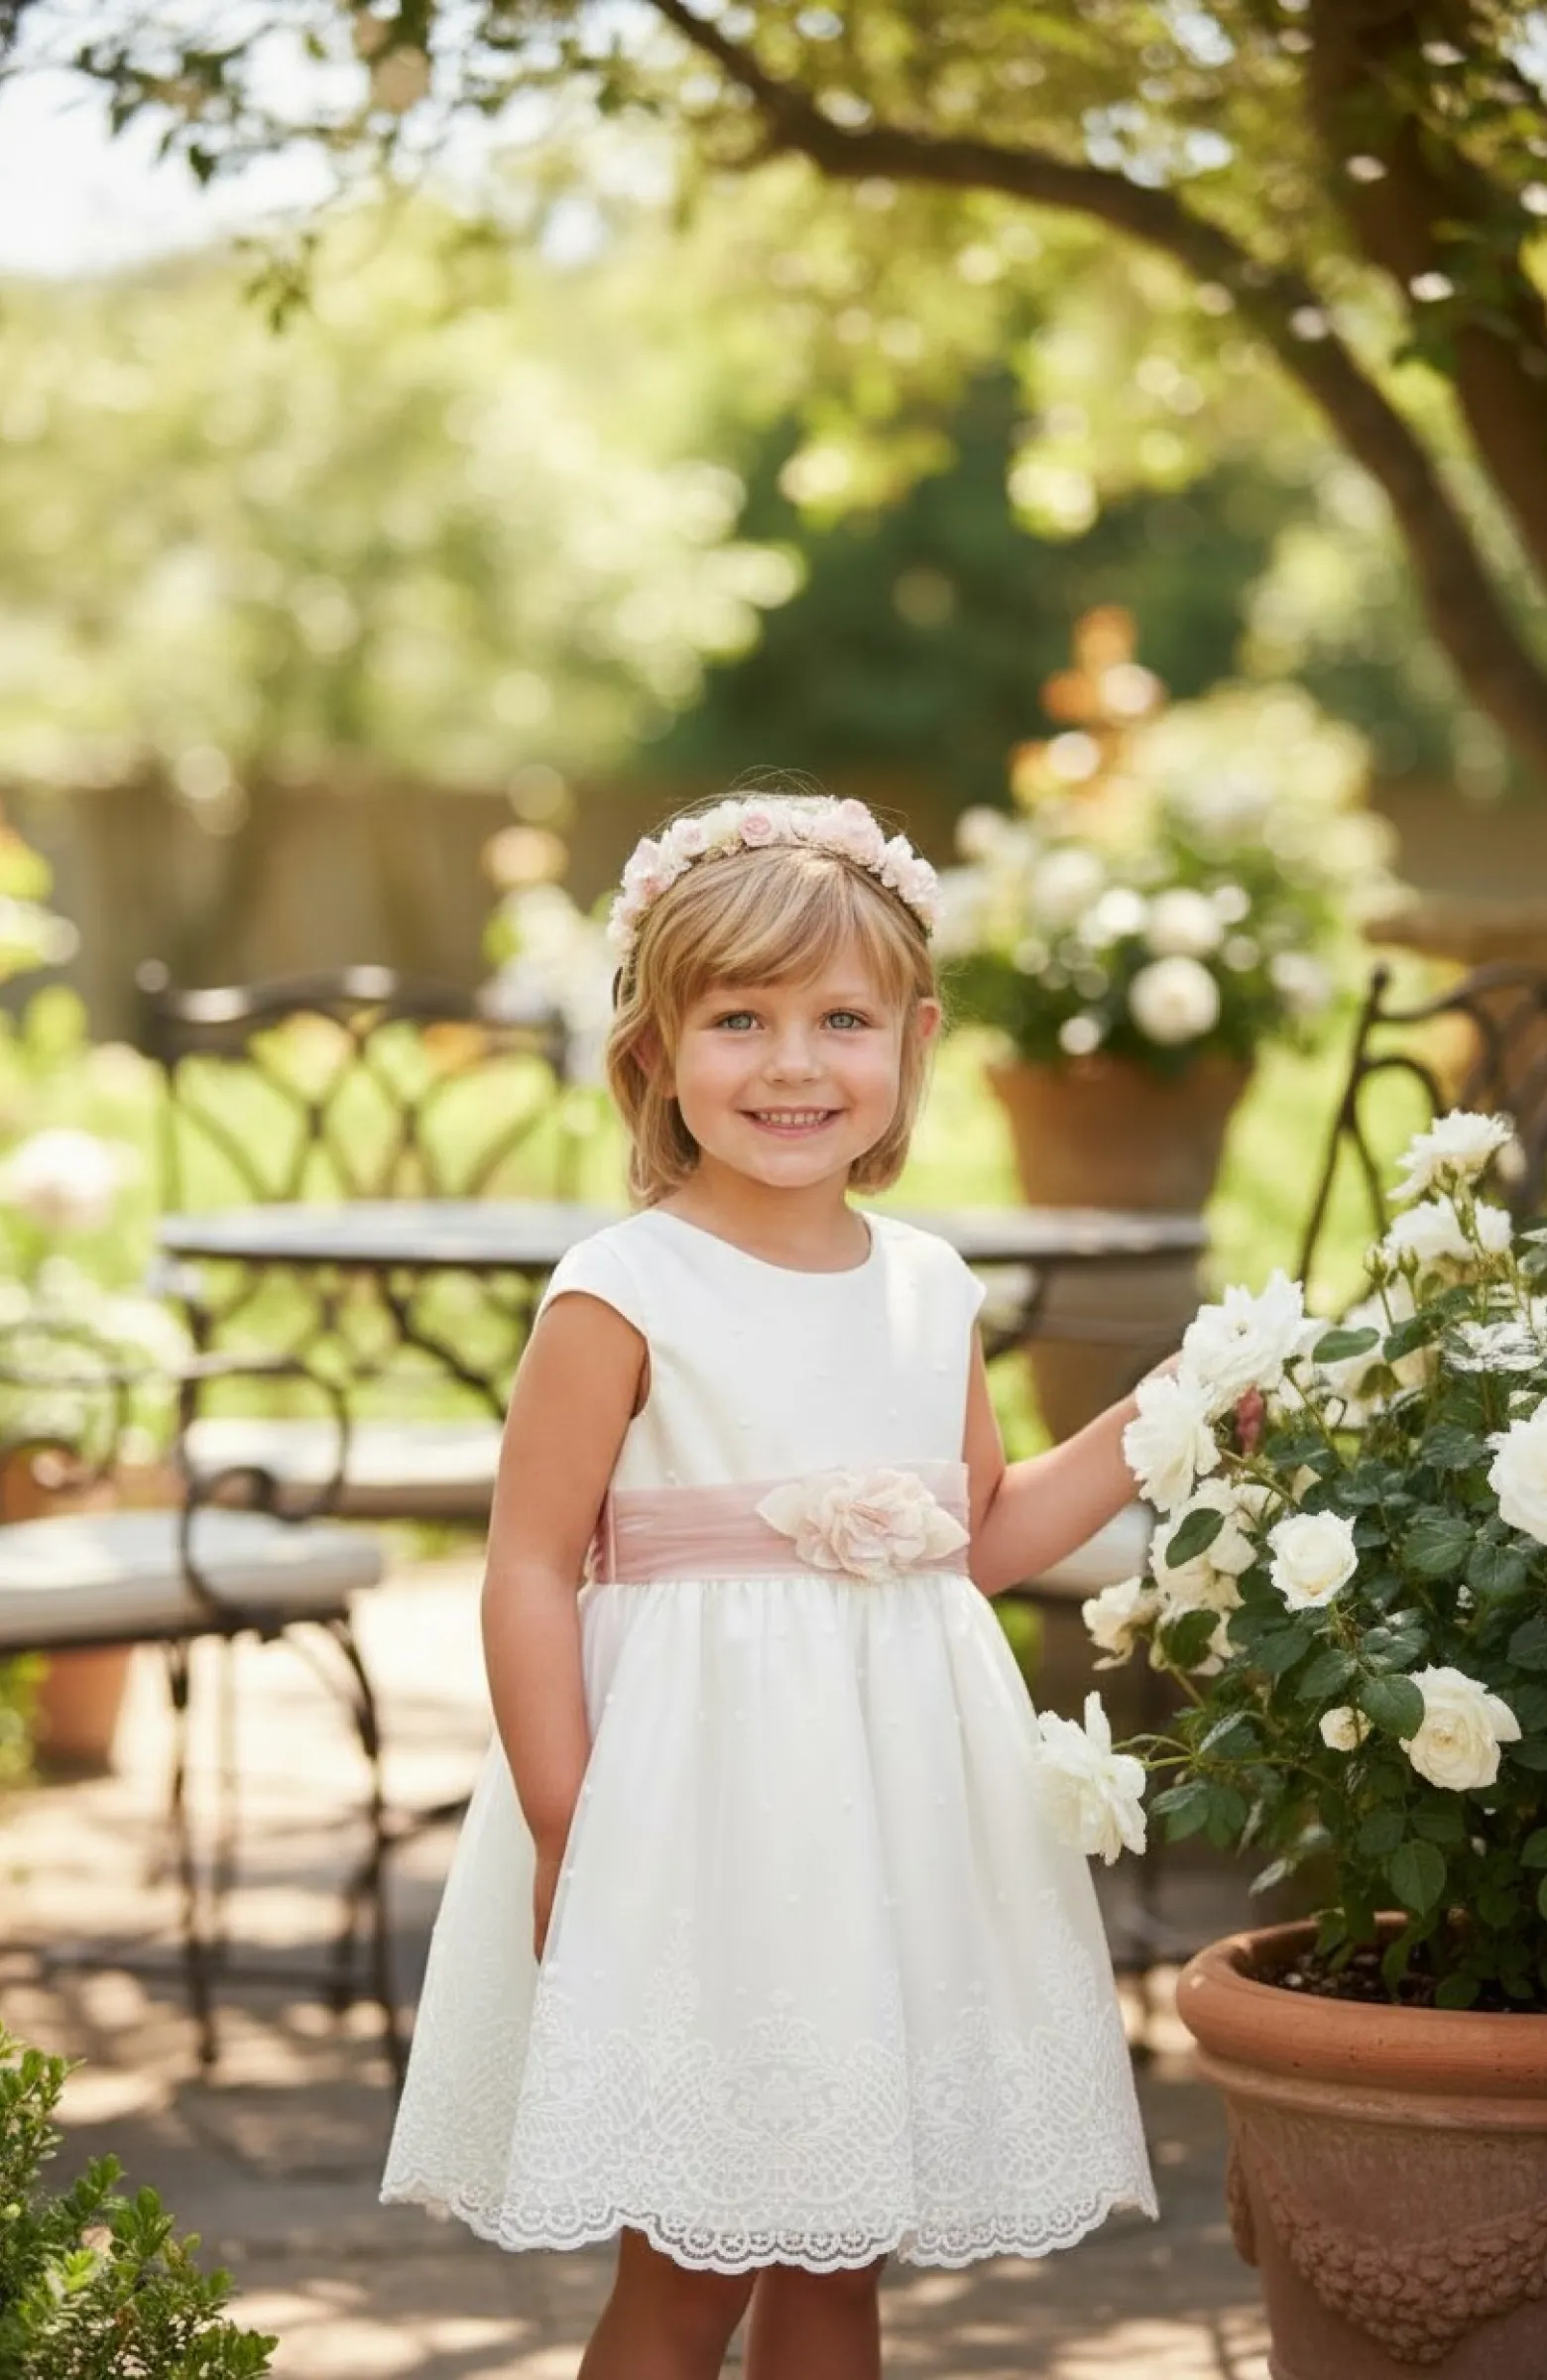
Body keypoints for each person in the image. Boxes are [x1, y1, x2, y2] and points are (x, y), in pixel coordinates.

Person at [382, 790, 1158, 2380]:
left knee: (838, 2268)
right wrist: (562, 1817)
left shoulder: (930, 1287)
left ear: (912, 1043)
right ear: (658, 1049)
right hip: (691, 1821)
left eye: (842, 1020)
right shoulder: (623, 1289)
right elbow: (529, 1564)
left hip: (881, 1827)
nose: (794, 1064)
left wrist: (1161, 1423)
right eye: (740, 1018)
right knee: (684, 2275)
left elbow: (984, 1535)